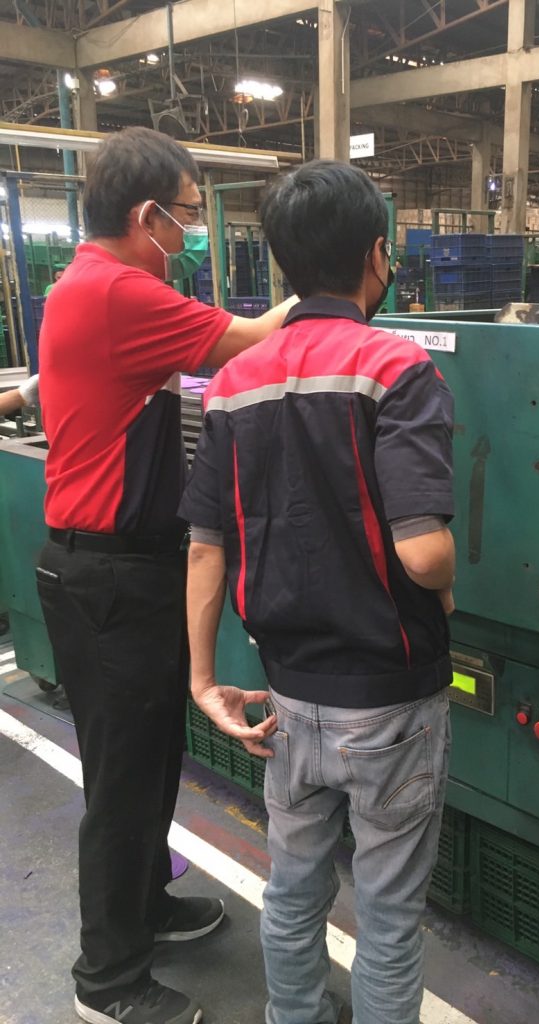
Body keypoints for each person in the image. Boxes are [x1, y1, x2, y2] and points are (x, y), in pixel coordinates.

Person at [180, 159, 456, 1024]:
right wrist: (446, 587)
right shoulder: (397, 366)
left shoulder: (232, 384)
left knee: (293, 889)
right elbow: (424, 553)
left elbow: (205, 548)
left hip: (289, 699)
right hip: (392, 703)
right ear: (376, 255)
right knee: (389, 914)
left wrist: (201, 680)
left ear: (283, 261)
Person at [35, 126, 296, 1024]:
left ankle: (145, 906)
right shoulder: (117, 290)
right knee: (121, 785)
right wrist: (324, 283)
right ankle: (107, 981)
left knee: (147, 760)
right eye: (187, 215)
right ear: (147, 215)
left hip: (115, 569)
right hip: (108, 576)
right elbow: (248, 341)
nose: (189, 231)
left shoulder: (85, 282)